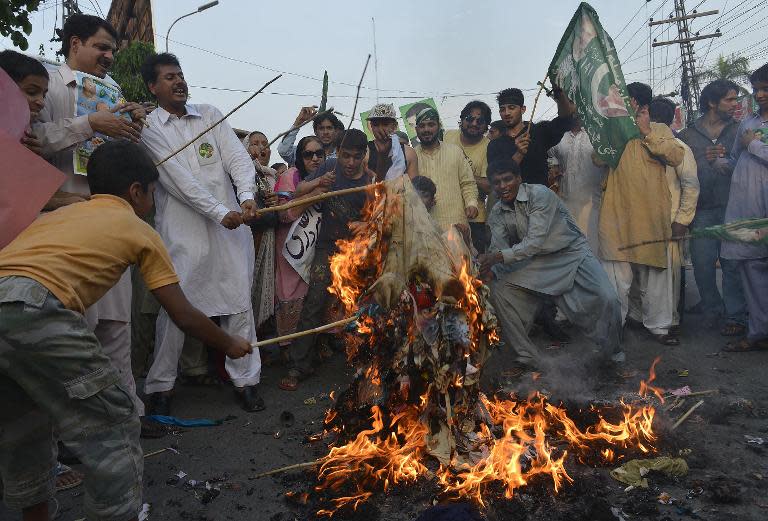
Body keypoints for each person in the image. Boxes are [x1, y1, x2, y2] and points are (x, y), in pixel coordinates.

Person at [0, 140, 253, 521]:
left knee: (25, 421)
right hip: (38, 307)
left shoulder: (61, 217)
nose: (152, 202)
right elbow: (182, 313)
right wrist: (228, 342)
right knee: (116, 419)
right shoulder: (139, 230)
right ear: (137, 192)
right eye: (153, 193)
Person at [32, 14, 147, 415]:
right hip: (61, 224)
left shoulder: (112, 92)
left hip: (109, 224)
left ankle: (126, 414)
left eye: (113, 50)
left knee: (117, 328)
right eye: (102, 47)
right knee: (74, 329)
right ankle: (71, 430)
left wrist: (133, 124)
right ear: (75, 43)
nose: (110, 56)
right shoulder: (44, 87)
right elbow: (31, 143)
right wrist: (88, 123)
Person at [139, 52, 264, 413]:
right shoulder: (151, 128)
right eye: (167, 77)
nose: (178, 81)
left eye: (180, 75)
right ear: (152, 86)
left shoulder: (209, 114)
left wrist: (246, 197)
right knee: (177, 311)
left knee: (239, 302)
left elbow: (238, 159)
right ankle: (161, 387)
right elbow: (178, 181)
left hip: (230, 230)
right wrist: (218, 211)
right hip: (185, 233)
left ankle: (246, 381)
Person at [478, 160, 623, 372]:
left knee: (608, 297)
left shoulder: (540, 194)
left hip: (571, 253)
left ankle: (612, 350)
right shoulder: (497, 212)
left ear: (519, 178)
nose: (503, 186)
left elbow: (535, 241)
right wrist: (488, 269)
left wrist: (496, 257)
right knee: (500, 290)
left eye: (508, 179)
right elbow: (498, 247)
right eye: (497, 182)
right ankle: (526, 355)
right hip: (537, 262)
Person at [279, 129, 372, 390]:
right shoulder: (329, 166)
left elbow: (378, 219)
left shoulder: (370, 180)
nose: (350, 163)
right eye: (345, 156)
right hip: (326, 247)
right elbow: (298, 191)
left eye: (356, 157)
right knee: (314, 301)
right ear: (338, 153)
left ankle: (365, 364)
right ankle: (299, 365)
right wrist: (319, 183)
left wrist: (363, 224)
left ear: (364, 155)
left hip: (355, 251)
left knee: (360, 307)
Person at [598, 82, 685, 336]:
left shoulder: (658, 129)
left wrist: (646, 131)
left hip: (650, 214)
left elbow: (675, 156)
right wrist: (617, 132)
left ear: (641, 105)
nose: (620, 103)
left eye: (626, 99)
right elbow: (597, 158)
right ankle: (615, 327)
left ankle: (659, 327)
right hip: (616, 213)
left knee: (655, 275)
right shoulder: (612, 128)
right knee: (616, 277)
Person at [678, 80, 746, 336]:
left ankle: (735, 316)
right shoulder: (687, 135)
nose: (735, 104)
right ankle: (712, 309)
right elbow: (679, 172)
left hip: (733, 207)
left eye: (736, 99)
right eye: (730, 99)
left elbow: (746, 165)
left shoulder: (740, 130)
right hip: (702, 209)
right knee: (703, 264)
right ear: (712, 103)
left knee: (731, 264)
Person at [641, 98, 699, 345]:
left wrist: (682, 221)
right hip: (644, 221)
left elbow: (691, 186)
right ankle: (649, 319)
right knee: (646, 276)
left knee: (668, 277)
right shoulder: (641, 146)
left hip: (670, 222)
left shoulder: (678, 147)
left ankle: (669, 323)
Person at [720, 63, 768, 352]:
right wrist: (718, 161)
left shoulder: (751, 134)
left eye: (765, 89)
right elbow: (737, 161)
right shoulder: (748, 124)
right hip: (749, 211)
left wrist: (755, 146)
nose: (760, 95)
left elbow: (751, 150)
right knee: (752, 274)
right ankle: (758, 332)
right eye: (757, 89)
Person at [273, 136, 333, 357]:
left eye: (319, 153)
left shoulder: (330, 176)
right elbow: (283, 214)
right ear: (300, 157)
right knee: (290, 291)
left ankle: (316, 342)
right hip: (292, 245)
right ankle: (287, 347)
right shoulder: (291, 177)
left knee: (318, 292)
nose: (315, 158)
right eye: (308, 154)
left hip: (319, 244)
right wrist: (314, 194)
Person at [487, 86, 576, 186]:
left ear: (523, 109)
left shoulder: (539, 131)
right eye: (502, 109)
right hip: (510, 200)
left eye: (512, 108)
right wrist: (519, 154)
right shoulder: (495, 145)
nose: (506, 113)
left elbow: (565, 118)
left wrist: (559, 91)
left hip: (540, 199)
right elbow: (496, 177)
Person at [412, 108, 480, 232]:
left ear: (439, 126)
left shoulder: (455, 152)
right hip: (424, 231)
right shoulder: (411, 157)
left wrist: (471, 204)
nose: (426, 129)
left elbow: (468, 183)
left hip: (456, 227)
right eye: (422, 126)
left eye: (431, 124)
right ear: (416, 130)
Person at [548, 116, 607, 253]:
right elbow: (551, 157)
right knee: (569, 252)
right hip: (565, 204)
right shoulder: (558, 135)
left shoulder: (598, 132)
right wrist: (553, 169)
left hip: (594, 205)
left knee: (592, 249)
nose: (573, 110)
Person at [243, 130, 280, 330]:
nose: (260, 148)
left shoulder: (274, 178)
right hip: (249, 240)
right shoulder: (243, 175)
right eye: (255, 143)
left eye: (264, 143)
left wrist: (277, 202)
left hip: (270, 242)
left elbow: (277, 216)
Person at [444, 100, 493, 252]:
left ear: (486, 126)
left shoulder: (489, 147)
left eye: (480, 121)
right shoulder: (448, 136)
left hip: (474, 217)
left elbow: (488, 185)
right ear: (462, 120)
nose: (474, 123)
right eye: (469, 119)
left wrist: (462, 170)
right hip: (445, 213)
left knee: (472, 267)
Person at [365, 103, 419, 180]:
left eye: (385, 124)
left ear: (394, 126)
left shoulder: (409, 153)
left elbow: (414, 186)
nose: (381, 129)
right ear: (371, 127)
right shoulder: (364, 151)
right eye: (376, 124)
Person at [277, 105, 344, 166]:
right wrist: (299, 122)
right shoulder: (306, 153)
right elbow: (284, 151)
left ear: (335, 131)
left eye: (329, 128)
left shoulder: (343, 155)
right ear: (315, 131)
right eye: (321, 128)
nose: (325, 132)